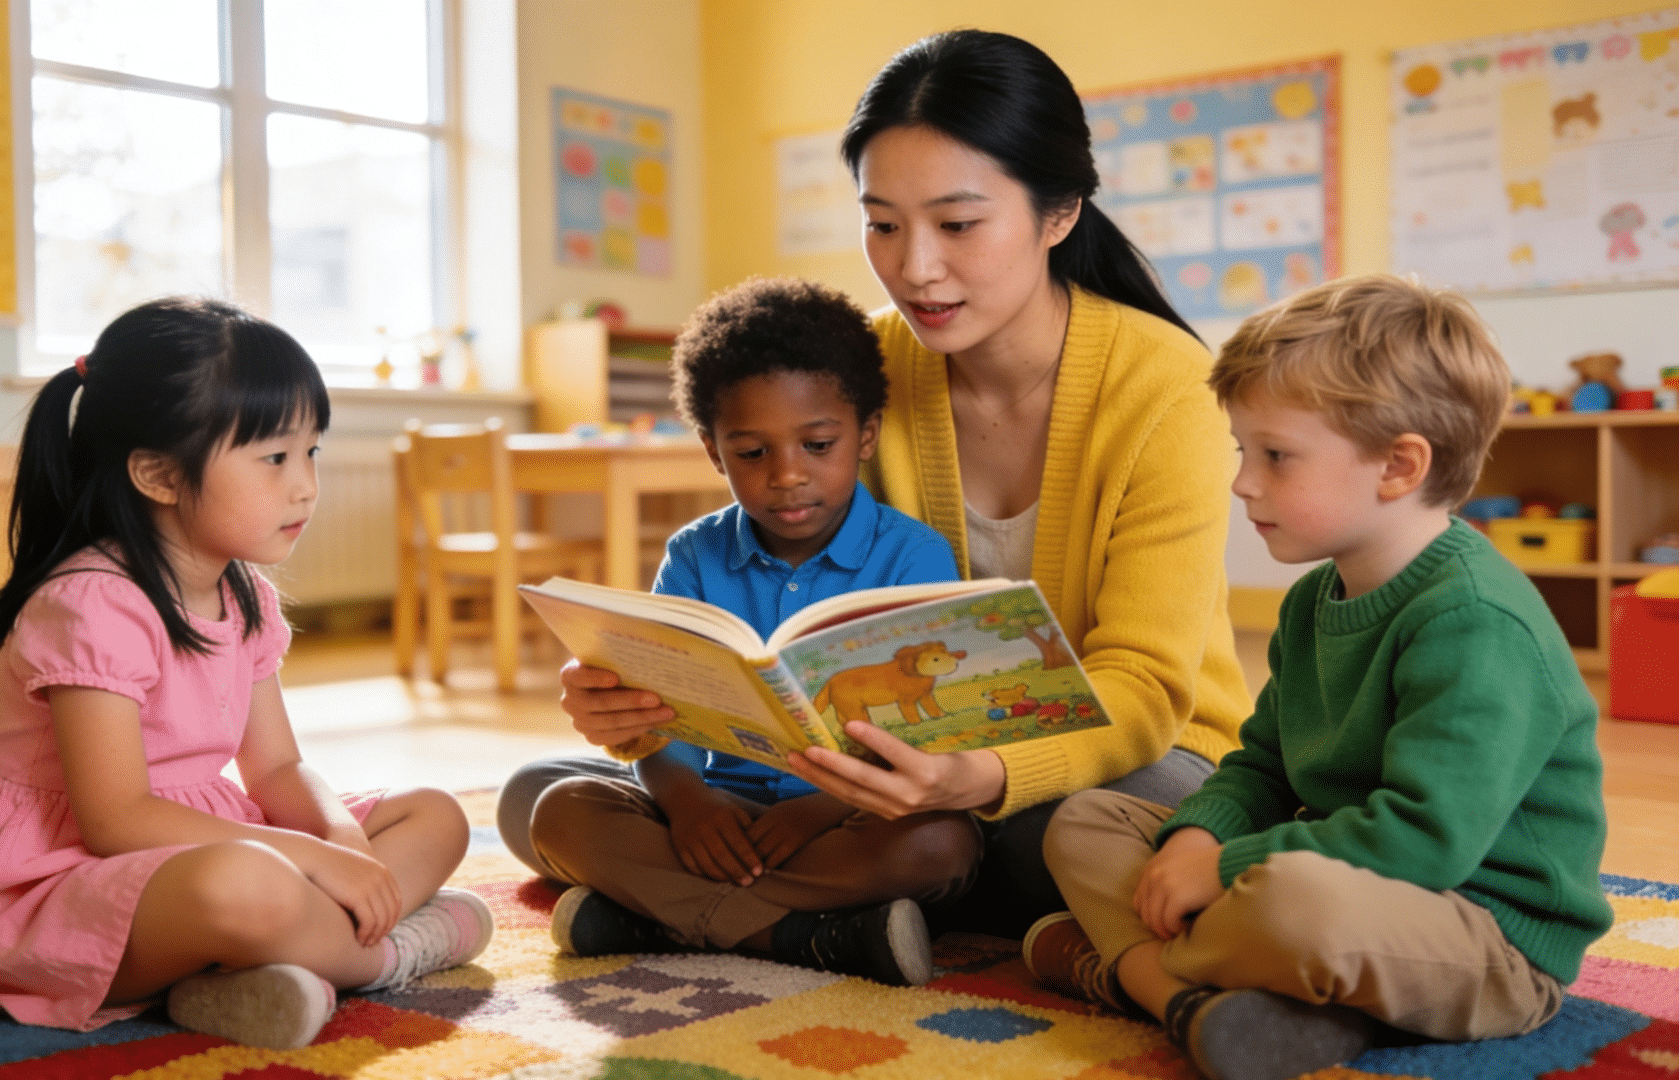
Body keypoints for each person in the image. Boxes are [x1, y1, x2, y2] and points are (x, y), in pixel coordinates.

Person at [506, 29, 1250, 935]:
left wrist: (979, 776)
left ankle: (688, 908)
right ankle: (825, 912)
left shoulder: (1166, 386)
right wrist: (631, 703)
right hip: (866, 763)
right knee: (533, 795)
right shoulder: (860, 368)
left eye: (958, 224)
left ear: (1059, 214)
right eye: (883, 223)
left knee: (1046, 835)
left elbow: (1140, 686)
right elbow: (773, 575)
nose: (913, 267)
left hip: (1120, 754)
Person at [1025, 275, 1612, 1080]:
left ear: (1399, 466)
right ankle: (1205, 1002)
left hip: (1483, 937)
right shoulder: (1313, 601)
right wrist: (1203, 835)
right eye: (1243, 451)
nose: (1243, 483)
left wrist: (1223, 871)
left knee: (1294, 902)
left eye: (1276, 456)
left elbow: (1424, 842)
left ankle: (1132, 974)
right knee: (1087, 821)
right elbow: (1264, 765)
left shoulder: (1476, 621)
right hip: (1342, 880)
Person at [0, 298, 492, 1050]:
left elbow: (278, 766)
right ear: (158, 473)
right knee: (245, 885)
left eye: (311, 452)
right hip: (58, 883)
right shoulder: (92, 601)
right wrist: (310, 862)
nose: (306, 486)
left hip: (199, 845)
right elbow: (115, 819)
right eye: (275, 458)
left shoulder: (243, 591)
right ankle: (386, 953)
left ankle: (272, 967)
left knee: (434, 813)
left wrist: (336, 836)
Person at [527, 277, 980, 986]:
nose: (788, 475)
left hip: (854, 816)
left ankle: (656, 923)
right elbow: (654, 717)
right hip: (720, 814)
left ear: (865, 434)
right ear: (713, 451)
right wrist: (688, 804)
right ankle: (801, 935)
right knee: (561, 812)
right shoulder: (693, 554)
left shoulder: (914, 555)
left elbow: (926, 733)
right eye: (752, 453)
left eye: (817, 443)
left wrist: (816, 812)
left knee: (940, 845)